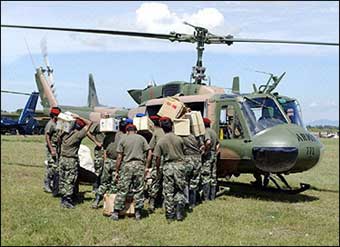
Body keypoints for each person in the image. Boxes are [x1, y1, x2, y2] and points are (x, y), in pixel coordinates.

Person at [111, 124, 152, 221]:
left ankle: (116, 212)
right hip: (139, 165)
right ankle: (138, 213)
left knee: (123, 189)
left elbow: (119, 156)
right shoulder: (141, 138)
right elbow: (149, 152)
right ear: (136, 131)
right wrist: (146, 166)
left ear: (127, 131)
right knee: (139, 189)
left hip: (127, 166)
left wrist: (117, 170)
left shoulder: (123, 139)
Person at [153, 117, 187, 222]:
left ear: (162, 128)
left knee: (168, 192)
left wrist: (158, 169)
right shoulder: (179, 139)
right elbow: (183, 152)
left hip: (168, 167)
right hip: (179, 166)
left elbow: (157, 158)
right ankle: (179, 213)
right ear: (172, 126)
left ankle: (170, 215)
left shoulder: (161, 141)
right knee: (180, 189)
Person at [58, 114, 92, 208]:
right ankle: (67, 200)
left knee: (63, 178)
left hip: (62, 159)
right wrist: (79, 116)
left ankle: (63, 197)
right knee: (70, 179)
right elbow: (90, 123)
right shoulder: (77, 136)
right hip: (71, 160)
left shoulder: (64, 134)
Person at [91, 118, 126, 209]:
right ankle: (112, 204)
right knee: (114, 183)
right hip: (117, 162)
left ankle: (97, 200)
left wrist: (105, 161)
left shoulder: (108, 136)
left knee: (104, 183)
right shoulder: (124, 137)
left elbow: (105, 150)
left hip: (108, 162)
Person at [146, 115, 165, 213]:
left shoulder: (156, 132)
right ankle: (164, 204)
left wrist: (147, 164)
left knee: (155, 181)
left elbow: (151, 148)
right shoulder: (168, 131)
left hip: (158, 160)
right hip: (167, 160)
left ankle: (152, 203)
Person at [182, 133, 205, 211]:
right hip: (197, 159)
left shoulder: (182, 136)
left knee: (185, 181)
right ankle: (192, 203)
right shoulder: (198, 136)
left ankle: (186, 202)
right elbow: (202, 147)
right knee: (194, 181)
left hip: (187, 159)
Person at [43, 106, 61, 193]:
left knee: (56, 166)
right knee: (52, 167)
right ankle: (47, 183)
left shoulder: (57, 123)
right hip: (52, 147)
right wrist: (51, 149)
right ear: (54, 115)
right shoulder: (50, 124)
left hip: (57, 147)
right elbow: (47, 137)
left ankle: (53, 184)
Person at [201, 117, 220, 201]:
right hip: (214, 155)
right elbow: (218, 143)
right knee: (213, 176)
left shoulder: (206, 131)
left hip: (208, 155)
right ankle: (212, 197)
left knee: (206, 176)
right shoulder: (213, 132)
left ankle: (206, 198)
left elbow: (208, 142)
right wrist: (215, 151)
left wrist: (206, 151)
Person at [87, 115, 106, 192]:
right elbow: (88, 132)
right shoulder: (98, 124)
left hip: (107, 149)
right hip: (100, 149)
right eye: (105, 116)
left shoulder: (110, 125)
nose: (106, 117)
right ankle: (95, 187)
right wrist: (96, 142)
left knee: (106, 168)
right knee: (98, 168)